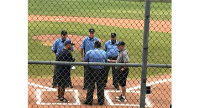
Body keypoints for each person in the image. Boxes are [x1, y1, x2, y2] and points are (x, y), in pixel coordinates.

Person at [83, 41, 108, 105]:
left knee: (90, 86)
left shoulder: (89, 52)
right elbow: (105, 61)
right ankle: (101, 101)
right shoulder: (104, 53)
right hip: (101, 72)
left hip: (91, 71)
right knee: (100, 87)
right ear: (100, 46)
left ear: (94, 46)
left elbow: (85, 60)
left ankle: (89, 101)